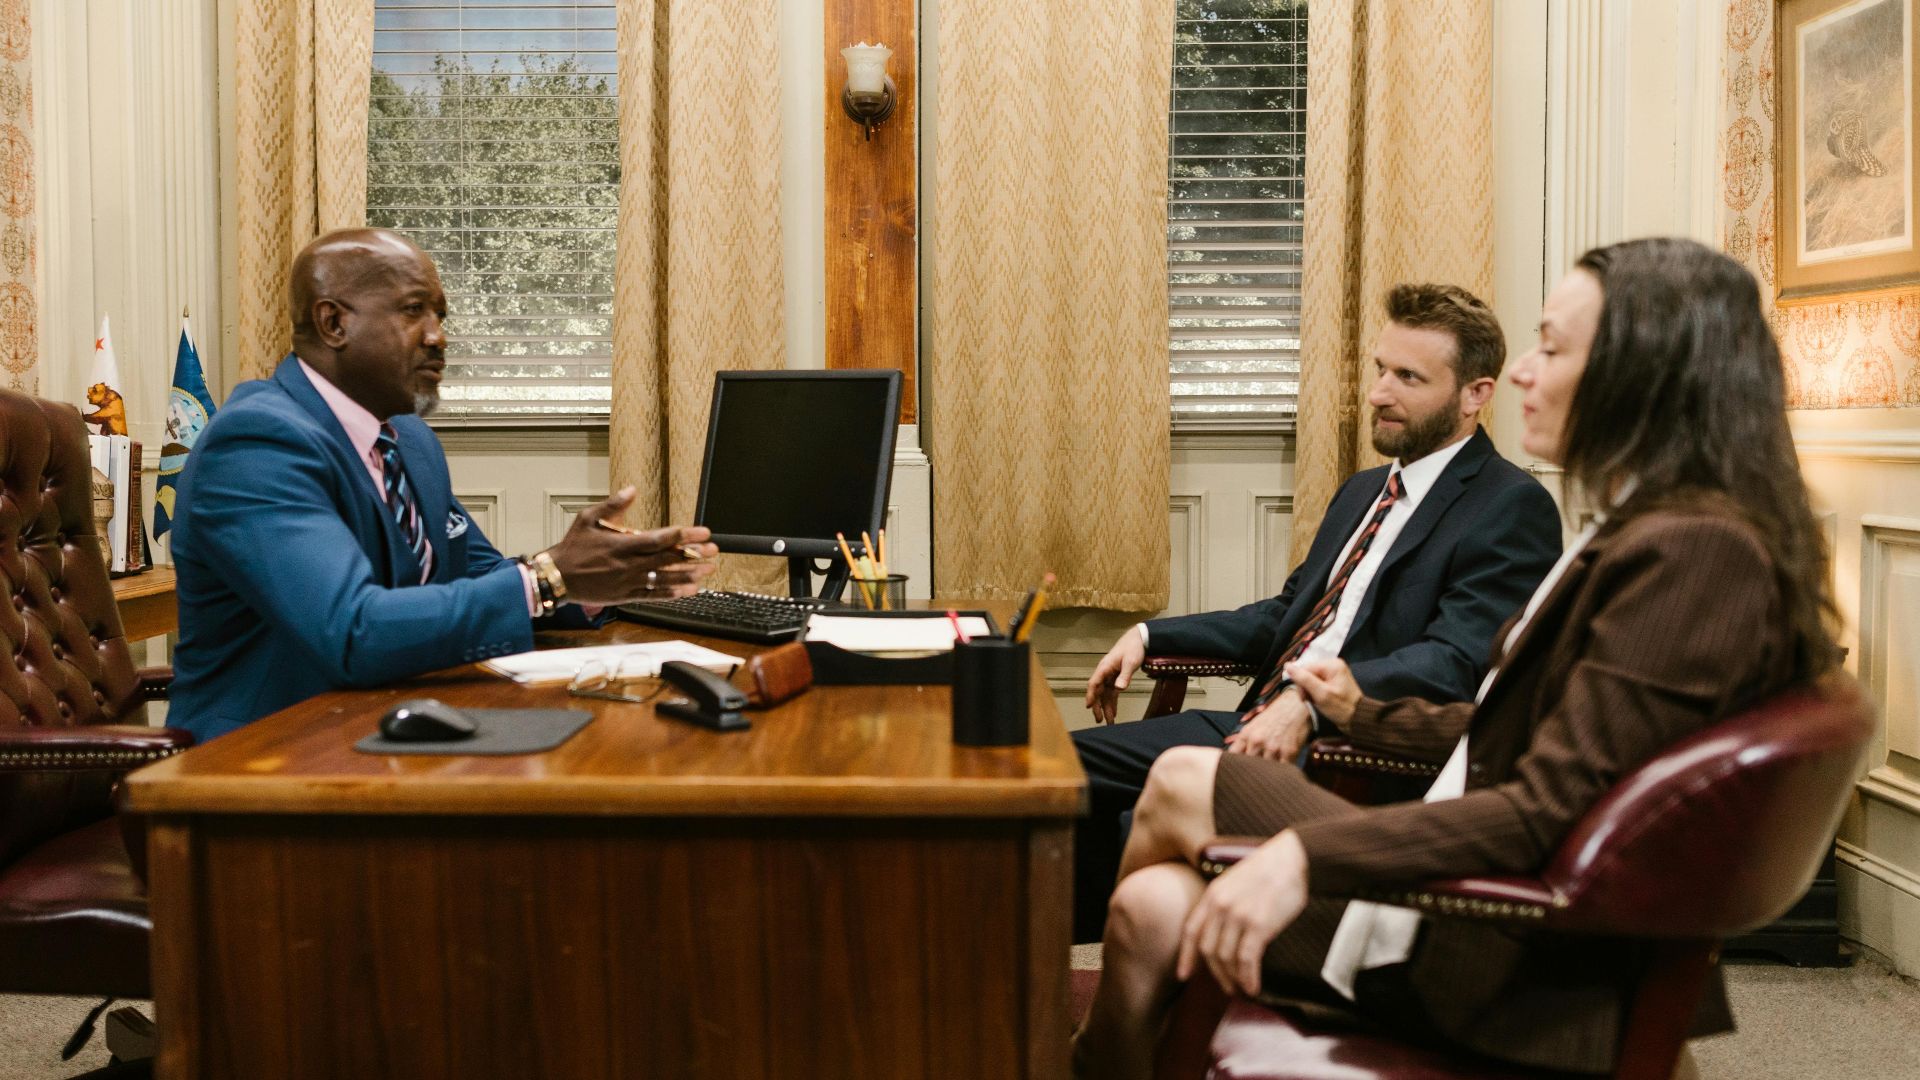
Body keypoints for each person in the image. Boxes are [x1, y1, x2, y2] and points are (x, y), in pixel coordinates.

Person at [1070, 237, 1841, 1078]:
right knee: (1150, 905)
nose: (1521, 372)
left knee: (1184, 782)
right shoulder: (1662, 532)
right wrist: (1363, 713)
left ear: (1643, 374)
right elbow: (1538, 734)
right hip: (1500, 906)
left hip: (1508, 955)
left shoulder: (1693, 554)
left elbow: (1542, 810)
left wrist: (1303, 854)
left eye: (1552, 346)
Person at [1072, 283, 1562, 941]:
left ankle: (1122, 969)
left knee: (1137, 812)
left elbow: (1453, 661)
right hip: (1249, 721)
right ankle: (1030, 974)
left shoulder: (1509, 507)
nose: (1380, 393)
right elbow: (1284, 617)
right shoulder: (1364, 490)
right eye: (1380, 370)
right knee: (1055, 776)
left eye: (1408, 378)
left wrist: (1307, 701)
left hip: (1341, 753)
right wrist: (1148, 632)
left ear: (1475, 394)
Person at [169, 228, 716, 741]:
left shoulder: (409, 439)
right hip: (262, 761)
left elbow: (476, 574)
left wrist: (588, 584)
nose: (438, 336)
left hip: (383, 725)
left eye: (440, 314)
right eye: (414, 311)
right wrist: (547, 578)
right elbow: (353, 630)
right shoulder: (257, 444)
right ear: (334, 323)